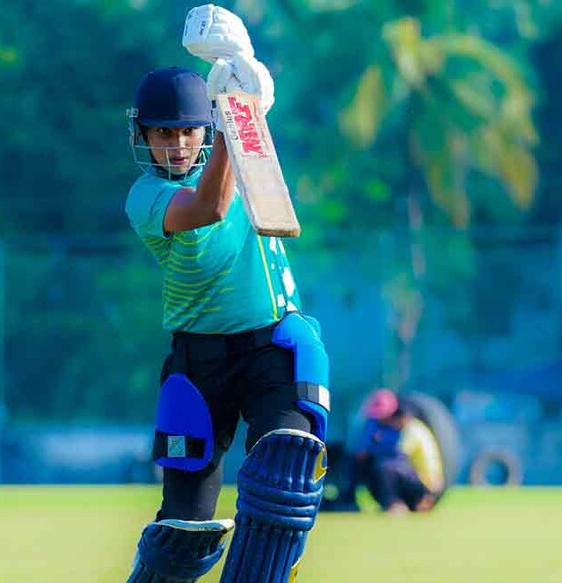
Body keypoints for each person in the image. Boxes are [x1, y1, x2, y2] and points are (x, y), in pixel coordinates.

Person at [123, 5, 330, 583]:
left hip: (272, 349)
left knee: (281, 482)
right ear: (144, 136)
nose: (179, 143)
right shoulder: (146, 198)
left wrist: (247, 96)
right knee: (182, 533)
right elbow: (209, 207)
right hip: (199, 363)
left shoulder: (240, 156)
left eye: (190, 130)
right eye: (165, 132)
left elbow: (252, 146)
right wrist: (229, 123)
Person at [353, 391, 444, 514]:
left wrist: (373, 447)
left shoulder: (411, 430)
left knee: (387, 467)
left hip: (427, 485)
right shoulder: (412, 428)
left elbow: (398, 456)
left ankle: (395, 504)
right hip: (421, 481)